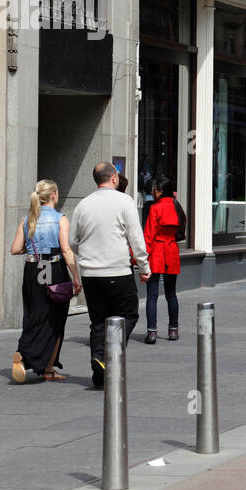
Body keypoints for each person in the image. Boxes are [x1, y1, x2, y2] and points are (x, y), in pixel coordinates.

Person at [71, 162, 150, 387]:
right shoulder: (124, 201)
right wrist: (144, 267)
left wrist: (87, 253)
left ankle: (99, 367)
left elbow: (72, 241)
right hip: (117, 270)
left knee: (98, 320)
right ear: (114, 178)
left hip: (90, 273)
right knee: (128, 314)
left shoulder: (83, 205)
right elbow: (136, 238)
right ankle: (107, 354)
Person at [8, 179, 80, 383]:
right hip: (52, 268)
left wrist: (32, 250)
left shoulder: (27, 219)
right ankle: (27, 356)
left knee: (35, 313)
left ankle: (45, 366)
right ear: (54, 195)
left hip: (33, 268)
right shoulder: (60, 219)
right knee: (55, 318)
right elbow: (66, 250)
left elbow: (14, 249)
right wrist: (76, 276)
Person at [143, 177, 184, 344]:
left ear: (160, 191)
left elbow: (148, 235)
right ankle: (173, 330)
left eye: (154, 190)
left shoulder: (155, 208)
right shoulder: (177, 207)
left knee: (152, 296)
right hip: (171, 250)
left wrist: (141, 259)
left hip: (157, 251)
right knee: (171, 294)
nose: (153, 192)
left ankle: (152, 332)